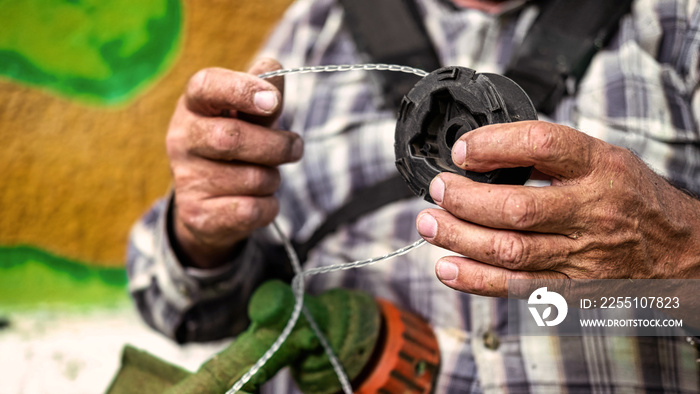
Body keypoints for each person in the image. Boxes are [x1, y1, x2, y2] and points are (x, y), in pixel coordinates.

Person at [127, 0, 700, 391]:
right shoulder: (320, 23)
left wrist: (679, 256)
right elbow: (179, 309)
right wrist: (202, 232)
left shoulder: (676, 22)